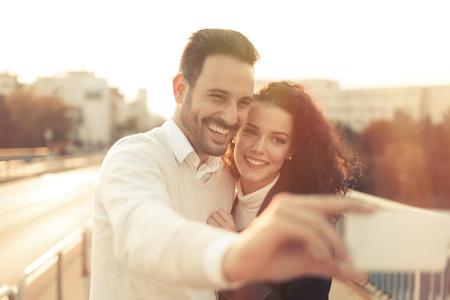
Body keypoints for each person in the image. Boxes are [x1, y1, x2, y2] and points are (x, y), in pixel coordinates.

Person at [89, 29, 373, 300]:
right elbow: (144, 231)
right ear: (179, 89)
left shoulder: (224, 178)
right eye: (218, 96)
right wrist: (233, 254)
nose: (230, 116)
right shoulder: (134, 157)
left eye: (242, 102)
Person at [208, 81, 360, 299]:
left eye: (277, 140)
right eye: (250, 131)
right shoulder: (216, 188)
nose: (258, 148)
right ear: (235, 134)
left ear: (291, 150)